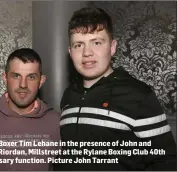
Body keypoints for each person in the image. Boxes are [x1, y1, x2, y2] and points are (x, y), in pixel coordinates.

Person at [54, 7, 177, 171]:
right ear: (70, 52)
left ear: (112, 47)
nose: (87, 53)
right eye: (78, 45)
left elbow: (167, 162)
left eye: (96, 42)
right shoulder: (69, 95)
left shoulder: (138, 95)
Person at [0, 48, 61, 171]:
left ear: (41, 81)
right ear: (5, 78)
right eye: (16, 76)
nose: (23, 85)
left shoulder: (56, 122)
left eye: (31, 77)